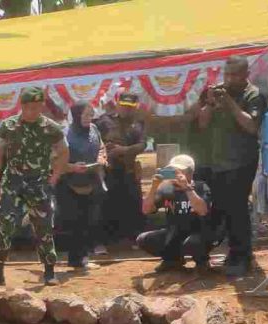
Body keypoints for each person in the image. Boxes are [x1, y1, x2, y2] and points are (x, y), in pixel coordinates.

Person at [192, 55, 266, 277]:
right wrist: (210, 104)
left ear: (246, 74)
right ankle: (236, 253)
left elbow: (252, 126)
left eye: (235, 74)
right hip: (219, 163)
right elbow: (202, 124)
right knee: (224, 209)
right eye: (227, 74)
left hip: (242, 161)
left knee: (238, 209)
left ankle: (242, 257)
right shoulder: (217, 93)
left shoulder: (253, 95)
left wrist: (231, 104)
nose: (229, 79)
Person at [0, 86, 68, 286]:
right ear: (22, 106)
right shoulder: (8, 126)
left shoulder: (51, 128)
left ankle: (49, 271)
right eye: (29, 107)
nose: (33, 111)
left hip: (39, 184)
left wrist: (54, 178)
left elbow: (64, 152)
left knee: (43, 226)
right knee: (3, 225)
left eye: (37, 107)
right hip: (12, 183)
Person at [136, 154, 213, 273]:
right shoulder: (166, 188)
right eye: (173, 172)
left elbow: (202, 210)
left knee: (192, 243)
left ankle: (202, 261)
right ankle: (172, 260)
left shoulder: (200, 186)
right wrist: (154, 186)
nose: (175, 176)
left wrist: (187, 188)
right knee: (143, 239)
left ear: (190, 173)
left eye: (179, 172)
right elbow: (146, 210)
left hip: (199, 232)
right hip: (174, 232)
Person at [58, 102, 108, 269]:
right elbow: (54, 160)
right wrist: (72, 167)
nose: (89, 118)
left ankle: (82, 258)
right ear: (76, 115)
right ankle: (76, 259)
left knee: (88, 220)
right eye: (85, 115)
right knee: (75, 221)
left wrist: (102, 158)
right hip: (68, 183)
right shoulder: (64, 133)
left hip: (90, 181)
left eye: (91, 114)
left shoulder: (94, 129)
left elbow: (101, 146)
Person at [96, 92, 146, 247]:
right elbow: (95, 139)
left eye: (130, 107)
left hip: (128, 169)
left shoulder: (138, 123)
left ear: (135, 107)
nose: (126, 109)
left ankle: (134, 239)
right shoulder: (105, 120)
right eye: (123, 106)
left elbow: (142, 144)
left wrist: (123, 150)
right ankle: (105, 241)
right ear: (117, 104)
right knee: (107, 204)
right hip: (108, 170)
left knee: (132, 204)